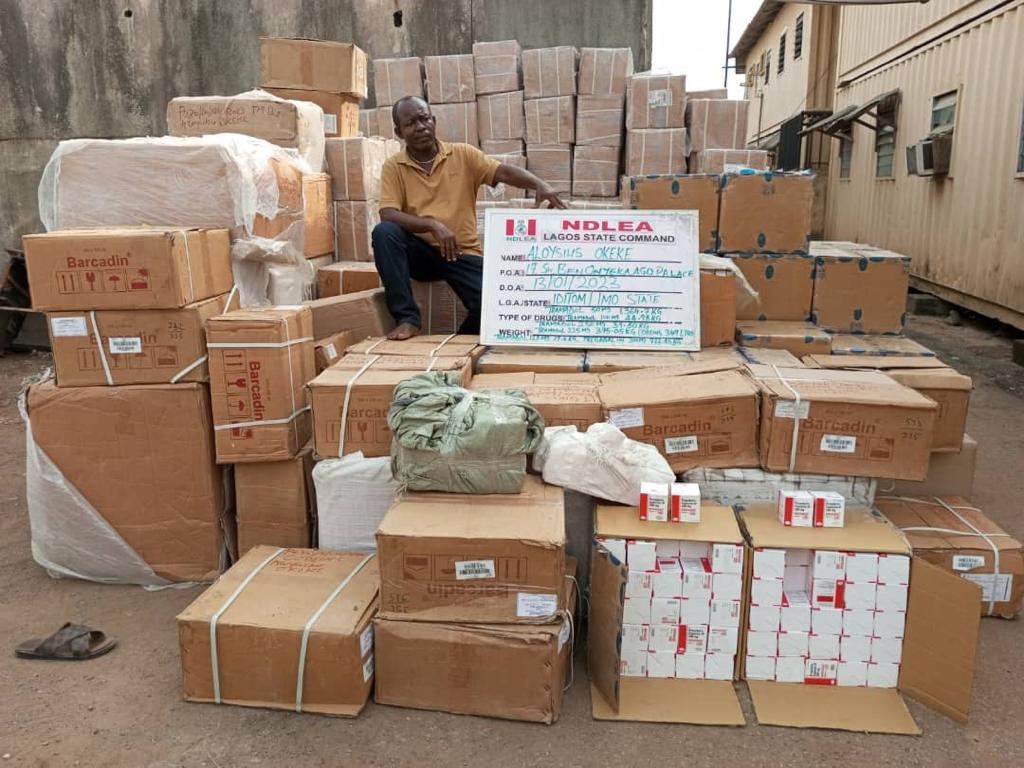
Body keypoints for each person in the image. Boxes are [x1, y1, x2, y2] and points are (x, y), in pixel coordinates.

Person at [374, 95, 566, 340]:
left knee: (494, 304)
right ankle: (407, 318)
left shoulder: (463, 154)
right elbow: (388, 214)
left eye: (424, 119)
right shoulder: (393, 167)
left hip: (461, 253)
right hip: (420, 255)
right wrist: (432, 225)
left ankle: (455, 345)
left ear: (433, 121)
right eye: (411, 123)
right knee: (384, 233)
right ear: (399, 132)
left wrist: (540, 184)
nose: (420, 127)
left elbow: (503, 172)